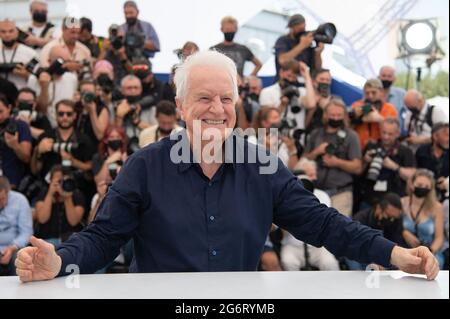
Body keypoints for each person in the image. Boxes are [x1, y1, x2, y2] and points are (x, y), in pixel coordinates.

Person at [15, 51, 439, 282]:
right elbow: (104, 238)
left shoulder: (263, 166)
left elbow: (324, 224)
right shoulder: (143, 168)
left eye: (226, 98)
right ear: (180, 106)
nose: (217, 109)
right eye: (203, 98)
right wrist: (61, 263)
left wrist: (395, 253)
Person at [304, 98, 362, 217]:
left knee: (338, 231)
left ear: (344, 115)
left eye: (339, 115)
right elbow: (303, 160)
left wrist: (337, 162)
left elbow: (357, 167)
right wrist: (317, 151)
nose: (335, 118)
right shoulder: (316, 133)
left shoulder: (351, 136)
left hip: (340, 192)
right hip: (316, 192)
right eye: (332, 115)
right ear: (325, 115)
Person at [359, 118, 416, 208]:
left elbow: (412, 176)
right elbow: (357, 171)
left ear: (397, 133)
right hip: (370, 198)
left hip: (395, 199)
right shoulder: (371, 146)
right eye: (383, 132)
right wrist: (365, 161)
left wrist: (394, 166)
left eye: (390, 134)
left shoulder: (405, 151)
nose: (386, 137)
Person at [347, 193, 405, 270]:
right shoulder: (361, 219)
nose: (391, 220)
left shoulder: (395, 221)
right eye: (388, 216)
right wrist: (374, 260)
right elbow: (355, 245)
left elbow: (397, 242)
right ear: (379, 208)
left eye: (394, 218)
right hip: (358, 254)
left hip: (384, 256)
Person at [402, 169, 445, 269]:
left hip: (430, 251)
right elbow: (393, 228)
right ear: (412, 184)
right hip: (404, 250)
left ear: (431, 189)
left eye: (426, 187)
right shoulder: (402, 203)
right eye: (420, 185)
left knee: (433, 264)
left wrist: (429, 252)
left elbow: (439, 238)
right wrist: (404, 232)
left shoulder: (437, 207)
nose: (423, 188)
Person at [27, 45, 78, 127]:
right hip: (42, 125)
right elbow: (40, 109)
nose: (64, 65)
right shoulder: (34, 80)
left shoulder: (72, 78)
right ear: (50, 61)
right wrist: (44, 87)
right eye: (60, 62)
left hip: (64, 126)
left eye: (67, 61)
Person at [34, 165, 85, 246]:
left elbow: (74, 221)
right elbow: (42, 219)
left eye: (63, 180)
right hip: (48, 240)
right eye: (58, 181)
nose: (61, 184)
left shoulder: (76, 194)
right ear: (50, 181)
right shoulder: (44, 193)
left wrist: (67, 198)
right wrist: (50, 194)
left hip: (71, 239)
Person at [351, 79, 398, 150]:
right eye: (367, 93)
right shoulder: (357, 106)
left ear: (381, 92)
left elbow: (393, 131)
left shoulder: (390, 109)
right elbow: (347, 127)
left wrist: (380, 119)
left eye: (374, 93)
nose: (370, 96)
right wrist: (358, 119)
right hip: (358, 148)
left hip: (381, 149)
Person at [0, 176, 33, 276]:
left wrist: (13, 247)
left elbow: (26, 232)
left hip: (15, 247)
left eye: (2, 199)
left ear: (8, 191)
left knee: (19, 259)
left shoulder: (20, 200)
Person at [0, 94, 32, 188]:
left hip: (11, 184)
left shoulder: (20, 126)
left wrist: (15, 145)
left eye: (1, 111)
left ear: (9, 108)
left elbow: (26, 157)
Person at [0, 19, 38, 90]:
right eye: (3, 31)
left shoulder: (31, 53)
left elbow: (38, 78)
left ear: (17, 33)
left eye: (11, 31)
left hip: (22, 94)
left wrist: (26, 75)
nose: (7, 35)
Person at [415, 123, 449, 202]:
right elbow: (416, 173)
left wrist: (447, 181)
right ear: (435, 136)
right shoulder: (422, 152)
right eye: (447, 135)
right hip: (425, 195)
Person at [378, 66, 407, 135]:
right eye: (383, 76)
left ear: (394, 79)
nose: (386, 79)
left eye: (389, 76)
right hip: (377, 134)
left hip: (394, 136)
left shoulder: (401, 94)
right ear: (379, 77)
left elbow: (409, 113)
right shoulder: (372, 93)